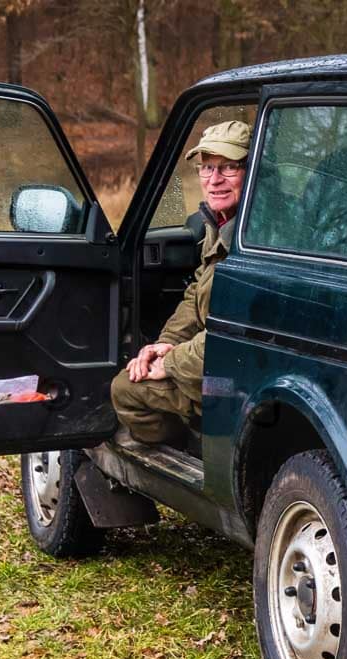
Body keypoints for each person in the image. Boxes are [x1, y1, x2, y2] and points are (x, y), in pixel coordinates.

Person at [110, 120, 251, 445]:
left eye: (229, 168)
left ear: (253, 170)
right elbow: (195, 293)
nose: (214, 180)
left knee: (126, 389)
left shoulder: (255, 238)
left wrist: (171, 364)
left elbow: (233, 337)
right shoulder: (224, 224)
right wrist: (166, 342)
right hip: (214, 360)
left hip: (232, 381)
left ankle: (199, 455)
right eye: (207, 168)